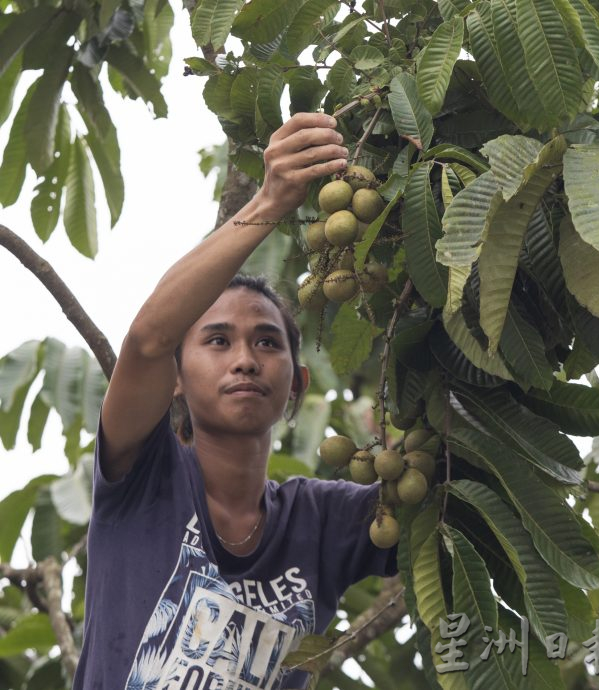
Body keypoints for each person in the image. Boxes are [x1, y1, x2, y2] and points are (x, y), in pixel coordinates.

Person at [73, 112, 398, 690]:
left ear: (296, 386)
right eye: (217, 341)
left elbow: (442, 492)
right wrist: (272, 200)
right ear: (176, 377)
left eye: (266, 342)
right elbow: (147, 340)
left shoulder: (321, 522)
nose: (245, 359)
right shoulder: (140, 479)